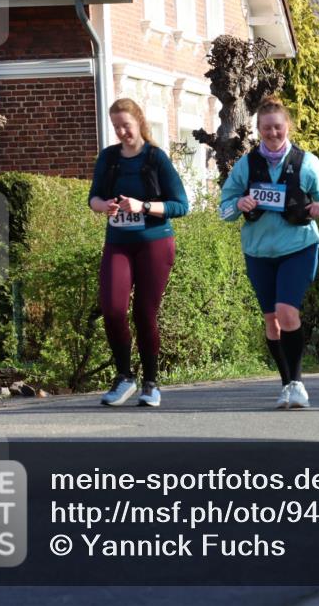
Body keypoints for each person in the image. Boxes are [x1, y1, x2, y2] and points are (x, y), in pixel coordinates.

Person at [219, 96, 319, 409]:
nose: (273, 133)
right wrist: (238, 204)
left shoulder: (305, 161)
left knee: (287, 311)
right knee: (271, 321)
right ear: (258, 129)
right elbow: (225, 206)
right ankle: (287, 384)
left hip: (298, 245)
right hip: (258, 250)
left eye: (278, 127)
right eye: (267, 128)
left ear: (287, 127)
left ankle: (298, 383)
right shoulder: (247, 164)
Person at [88, 98, 189, 408]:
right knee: (113, 309)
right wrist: (104, 206)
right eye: (116, 126)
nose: (122, 132)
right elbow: (93, 197)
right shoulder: (109, 158)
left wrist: (144, 206)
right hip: (119, 241)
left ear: (139, 122)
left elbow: (181, 205)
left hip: (154, 242)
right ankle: (124, 377)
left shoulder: (156, 158)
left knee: (145, 314)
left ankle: (151, 383)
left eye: (126, 126)